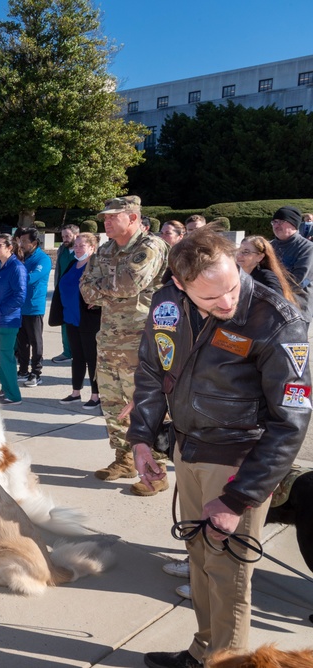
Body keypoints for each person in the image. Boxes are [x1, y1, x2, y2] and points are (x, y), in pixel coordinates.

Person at [127, 227, 311, 668]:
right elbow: (153, 370)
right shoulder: (167, 304)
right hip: (188, 451)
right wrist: (140, 438)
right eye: (210, 298)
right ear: (180, 283)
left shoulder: (278, 321)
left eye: (232, 287)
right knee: (200, 561)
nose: (227, 303)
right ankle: (204, 652)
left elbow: (291, 422)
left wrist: (237, 498)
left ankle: (226, 661)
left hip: (237, 463)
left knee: (228, 573)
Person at [80, 195, 170, 496]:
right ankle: (124, 459)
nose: (106, 221)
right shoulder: (105, 249)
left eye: (112, 216)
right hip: (109, 340)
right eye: (105, 217)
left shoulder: (150, 246)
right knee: (113, 404)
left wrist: (104, 289)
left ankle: (155, 471)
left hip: (140, 342)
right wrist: (110, 291)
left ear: (132, 217)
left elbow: (130, 285)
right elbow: (85, 289)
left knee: (144, 406)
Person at [57, 233, 101, 409]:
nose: (77, 248)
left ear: (92, 247)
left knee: (92, 358)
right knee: (77, 357)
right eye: (76, 245)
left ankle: (96, 395)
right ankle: (76, 392)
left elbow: (103, 287)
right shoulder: (72, 264)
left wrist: (97, 302)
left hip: (88, 319)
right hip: (71, 318)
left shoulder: (95, 266)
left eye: (81, 245)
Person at [0, 234, 26, 405]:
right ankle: (5, 389)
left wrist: (0, 311)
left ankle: (14, 395)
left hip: (7, 321)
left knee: (6, 357)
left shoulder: (16, 268)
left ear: (9, 247)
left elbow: (20, 296)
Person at [14, 227, 50, 387]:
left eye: (24, 241)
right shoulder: (23, 257)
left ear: (34, 243)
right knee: (22, 342)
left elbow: (30, 278)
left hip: (34, 307)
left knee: (36, 342)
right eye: (20, 241)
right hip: (20, 307)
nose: (21, 244)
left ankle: (36, 373)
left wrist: (13, 279)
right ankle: (23, 370)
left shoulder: (43, 259)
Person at [269, 205, 313, 321]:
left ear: (294, 224)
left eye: (281, 221)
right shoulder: (269, 246)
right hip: (271, 307)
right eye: (274, 222)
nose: (276, 225)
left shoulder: (307, 248)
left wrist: (268, 290)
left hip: (297, 309)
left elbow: (298, 280)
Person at [235, 235, 294, 302]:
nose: (239, 255)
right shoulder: (237, 275)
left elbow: (279, 304)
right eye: (239, 250)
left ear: (260, 257)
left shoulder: (266, 277)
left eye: (246, 252)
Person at [52, 224, 79, 363]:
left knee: (79, 324)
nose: (65, 239)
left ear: (76, 235)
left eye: (68, 236)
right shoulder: (62, 250)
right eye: (63, 236)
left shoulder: (81, 251)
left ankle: (79, 352)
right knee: (64, 323)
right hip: (63, 293)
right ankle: (67, 352)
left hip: (78, 294)